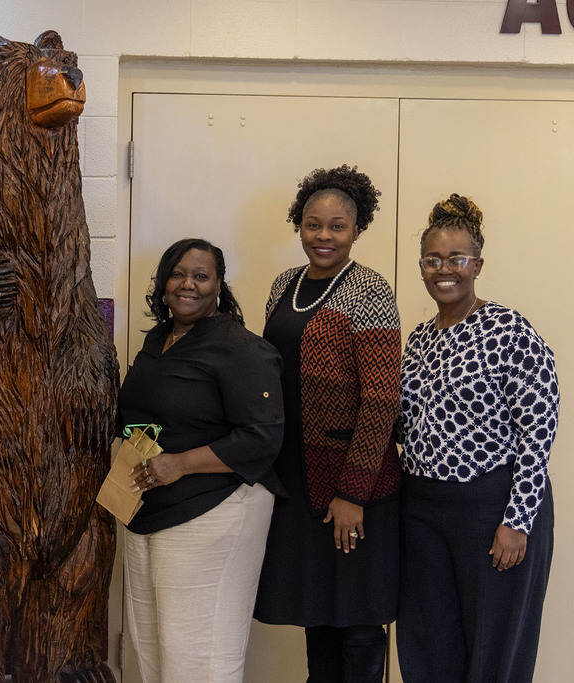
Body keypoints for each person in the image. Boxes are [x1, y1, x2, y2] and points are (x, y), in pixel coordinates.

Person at [395, 194, 557, 682]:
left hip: (493, 508)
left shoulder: (509, 330)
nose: (445, 269)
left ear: (477, 264)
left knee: (493, 649)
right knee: (428, 642)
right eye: (433, 259)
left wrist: (518, 520)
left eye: (457, 259)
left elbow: (538, 428)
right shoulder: (420, 338)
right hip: (423, 510)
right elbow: (407, 425)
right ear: (422, 266)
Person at [252, 165, 401, 682]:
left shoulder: (369, 291)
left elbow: (383, 400)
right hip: (298, 479)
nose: (324, 236)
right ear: (299, 225)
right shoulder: (282, 285)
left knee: (358, 621)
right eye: (313, 224)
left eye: (337, 226)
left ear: (356, 230)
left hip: (353, 485)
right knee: (318, 613)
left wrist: (353, 493)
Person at [119, 238, 284, 683]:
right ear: (163, 282)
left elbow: (262, 436)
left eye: (201, 276)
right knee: (152, 653)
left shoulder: (240, 347)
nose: (187, 283)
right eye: (177, 273)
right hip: (147, 507)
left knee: (200, 658)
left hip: (214, 510)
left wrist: (181, 464)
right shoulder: (161, 338)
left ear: (218, 286)